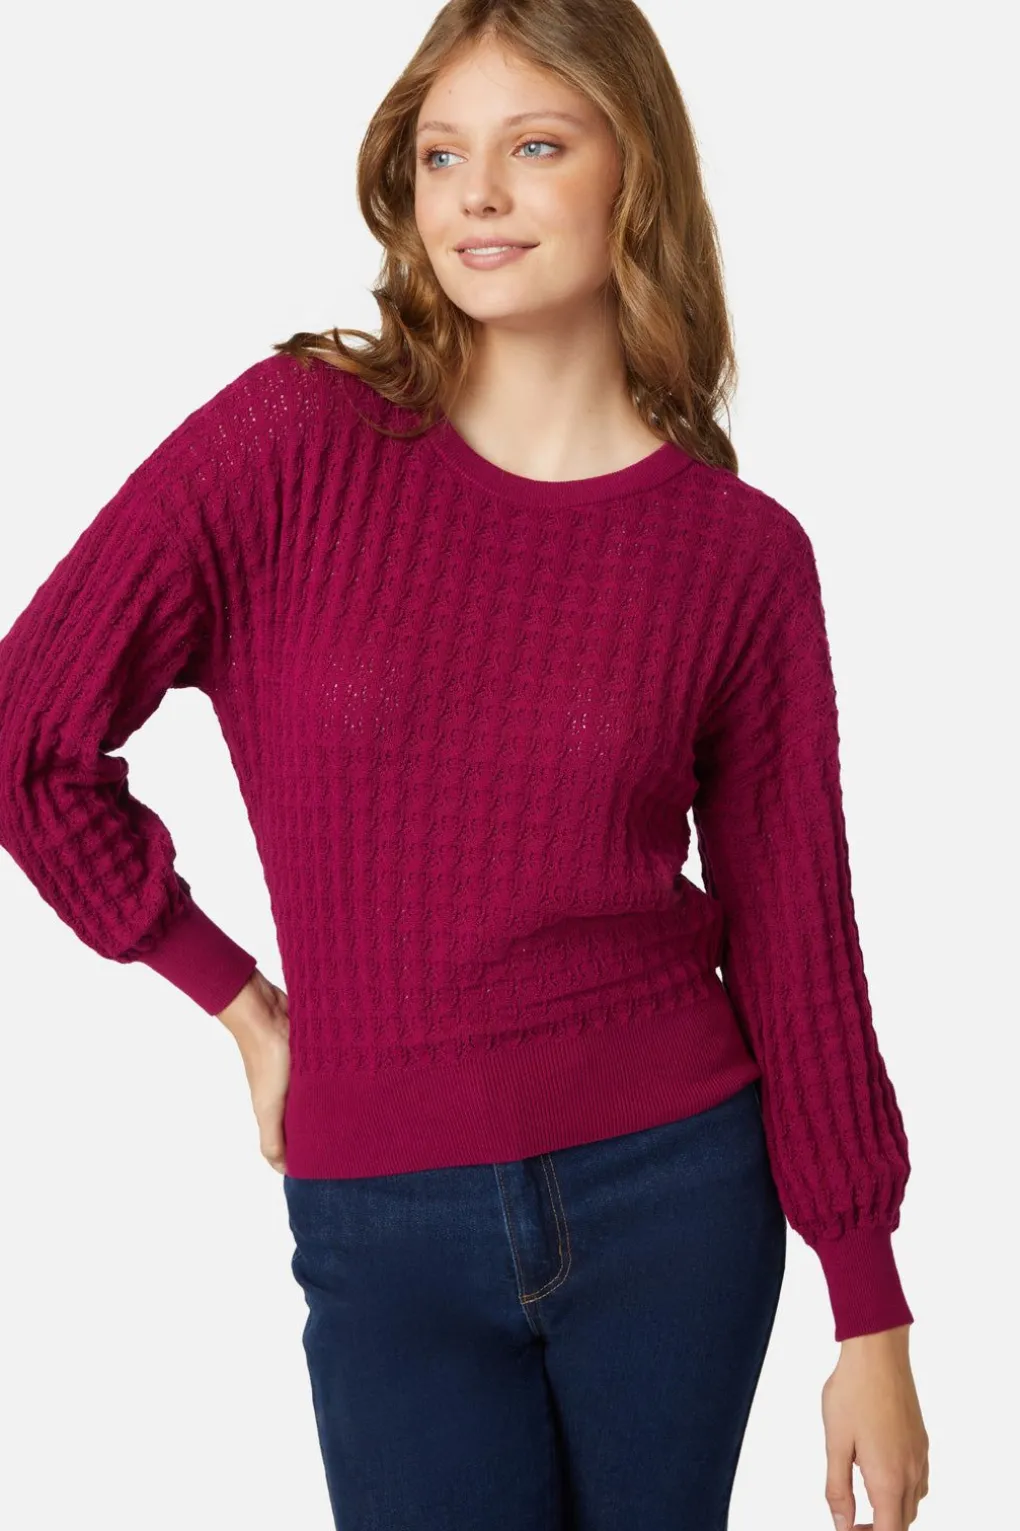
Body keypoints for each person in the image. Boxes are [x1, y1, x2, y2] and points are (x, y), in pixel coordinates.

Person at [0, 2, 930, 1527]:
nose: (477, 194)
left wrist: (869, 1308)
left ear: (636, 172)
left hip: (677, 1191)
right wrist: (236, 999)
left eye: (535, 145)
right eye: (442, 154)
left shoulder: (739, 554)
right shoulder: (290, 444)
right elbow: (25, 734)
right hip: (382, 1211)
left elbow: (798, 935)